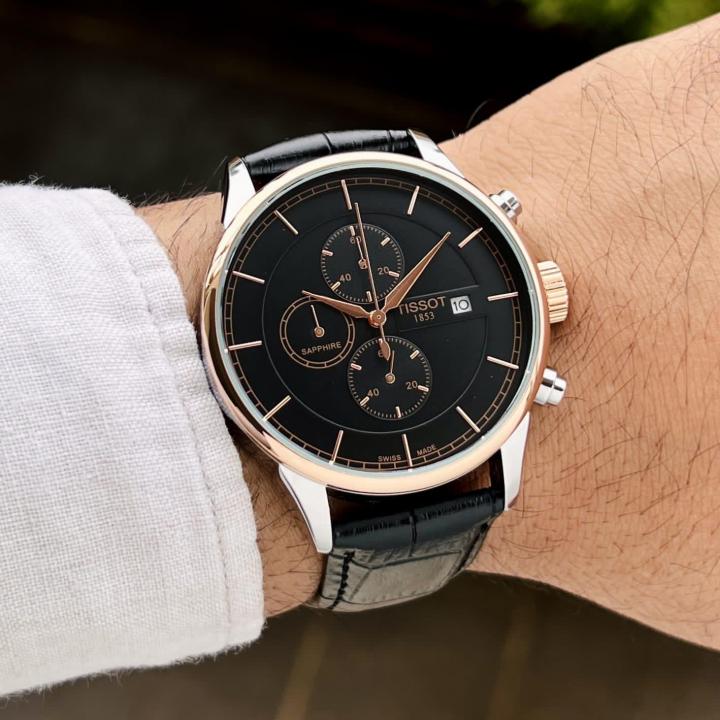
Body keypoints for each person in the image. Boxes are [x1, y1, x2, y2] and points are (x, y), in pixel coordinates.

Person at [1, 12, 719, 696]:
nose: (377, 317)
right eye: (370, 311)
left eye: (380, 310)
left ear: (543, 293)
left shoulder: (505, 344)